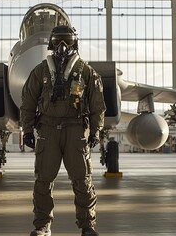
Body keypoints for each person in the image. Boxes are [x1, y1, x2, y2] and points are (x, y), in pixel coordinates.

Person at [20, 25, 106, 236]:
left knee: (82, 180)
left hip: (76, 130)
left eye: (66, 42)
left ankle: (87, 226)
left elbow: (97, 105)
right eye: (58, 41)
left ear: (74, 43)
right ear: (51, 43)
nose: (62, 47)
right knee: (43, 180)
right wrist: (28, 130)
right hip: (48, 130)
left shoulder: (86, 72)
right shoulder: (41, 71)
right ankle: (42, 225)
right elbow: (28, 101)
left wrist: (96, 131)